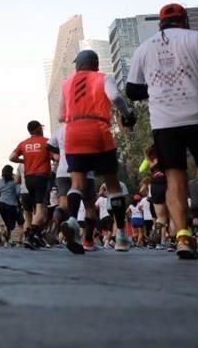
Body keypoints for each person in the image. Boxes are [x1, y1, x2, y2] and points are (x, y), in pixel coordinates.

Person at [126, 3, 198, 259]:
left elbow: (131, 90)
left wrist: (153, 89)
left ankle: (183, 236)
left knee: (175, 178)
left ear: (160, 24)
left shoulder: (144, 48)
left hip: (165, 122)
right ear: (184, 20)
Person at [58, 49, 136, 255]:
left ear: (79, 65)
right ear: (95, 63)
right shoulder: (104, 78)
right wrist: (127, 113)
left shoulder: (66, 84)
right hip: (98, 132)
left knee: (77, 183)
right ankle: (120, 235)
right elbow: (116, 96)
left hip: (73, 134)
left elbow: (60, 115)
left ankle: (73, 220)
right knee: (112, 184)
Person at [9, 120, 52, 250]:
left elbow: (11, 157)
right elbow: (56, 157)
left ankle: (35, 235)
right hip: (41, 176)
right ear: (38, 128)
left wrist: (24, 160)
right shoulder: (46, 142)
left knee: (35, 209)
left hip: (28, 178)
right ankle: (31, 235)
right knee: (39, 208)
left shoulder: (24, 143)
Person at [139, 145, 169, 246]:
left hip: (155, 186)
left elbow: (141, 169)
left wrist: (147, 161)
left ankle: (154, 236)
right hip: (167, 184)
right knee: (173, 216)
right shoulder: (165, 156)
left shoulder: (149, 160)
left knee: (160, 217)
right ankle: (174, 241)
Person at [0, 165, 20, 246]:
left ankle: (6, 238)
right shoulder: (14, 182)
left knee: (6, 222)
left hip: (2, 204)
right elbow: (18, 192)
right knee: (11, 224)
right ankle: (9, 238)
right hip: (12, 205)